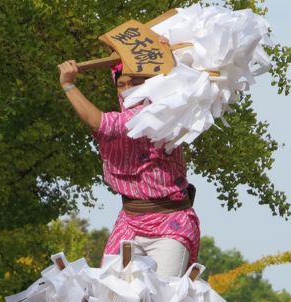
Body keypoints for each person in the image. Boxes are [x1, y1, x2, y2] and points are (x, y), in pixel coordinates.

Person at [57, 59, 200, 277]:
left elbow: (101, 122)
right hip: (130, 222)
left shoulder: (162, 113)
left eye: (134, 83)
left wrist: (69, 85)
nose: (127, 91)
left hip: (169, 225)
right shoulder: (121, 123)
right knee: (110, 295)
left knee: (162, 301)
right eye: (121, 85)